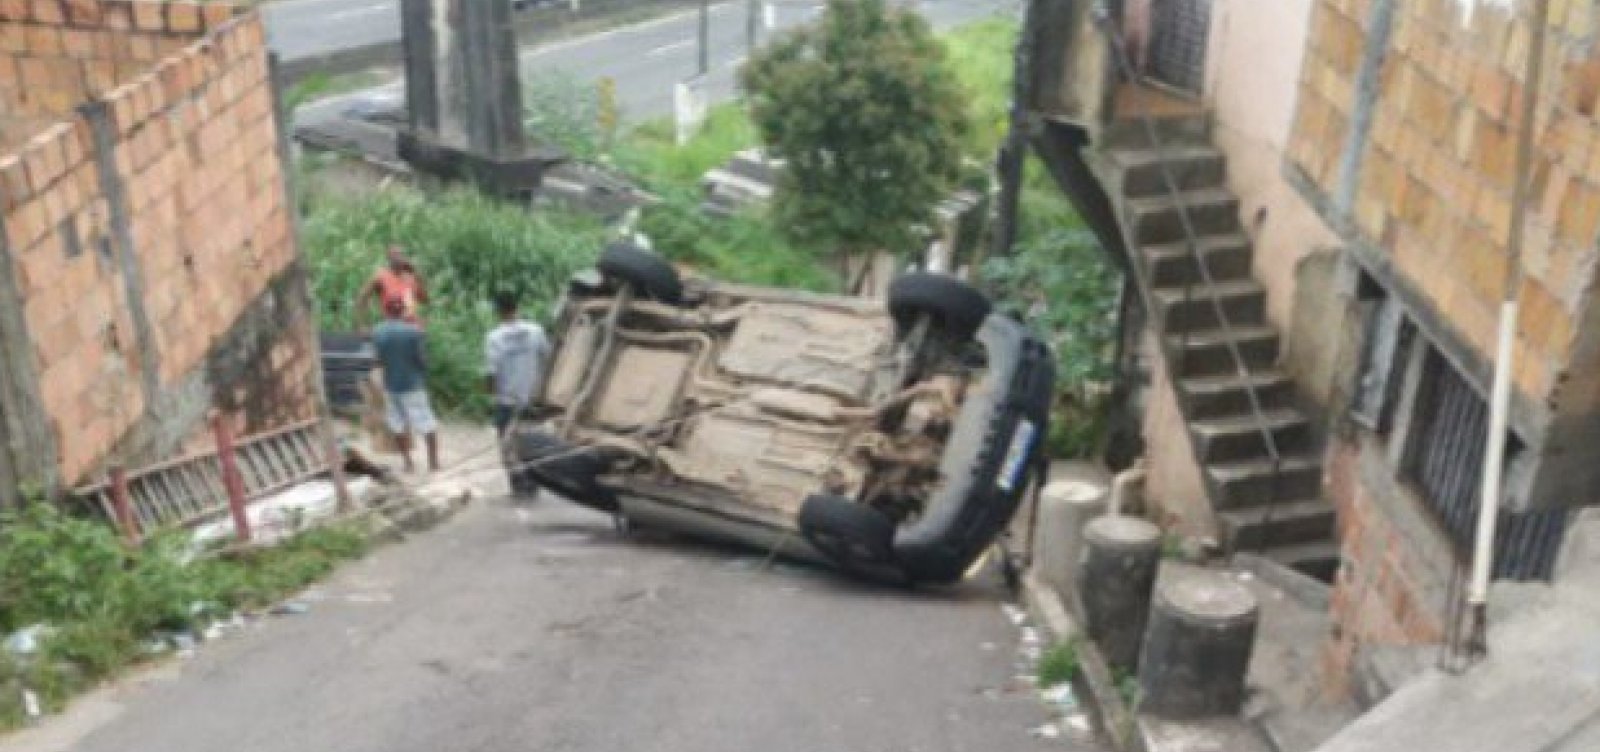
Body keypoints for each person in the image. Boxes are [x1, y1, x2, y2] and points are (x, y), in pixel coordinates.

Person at [372, 298, 440, 473]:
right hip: (413, 385)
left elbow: (378, 360)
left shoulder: (378, 331)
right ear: (403, 311)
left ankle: (408, 463)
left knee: (398, 424)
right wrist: (425, 368)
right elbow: (421, 360)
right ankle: (433, 463)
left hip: (391, 385)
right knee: (427, 423)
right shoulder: (414, 332)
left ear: (385, 311)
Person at [484, 291, 551, 437]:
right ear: (517, 307)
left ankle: (507, 460)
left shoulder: (493, 337)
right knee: (531, 444)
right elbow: (548, 359)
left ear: (498, 311)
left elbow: (491, 374)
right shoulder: (536, 331)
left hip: (507, 401)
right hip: (532, 399)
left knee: (505, 442)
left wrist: (490, 396)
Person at [357, 245, 428, 326]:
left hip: (412, 326)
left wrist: (414, 272)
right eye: (394, 255)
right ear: (389, 259)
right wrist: (362, 325)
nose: (398, 258)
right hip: (392, 325)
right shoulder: (381, 276)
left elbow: (424, 299)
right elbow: (362, 299)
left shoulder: (410, 278)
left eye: (400, 254)